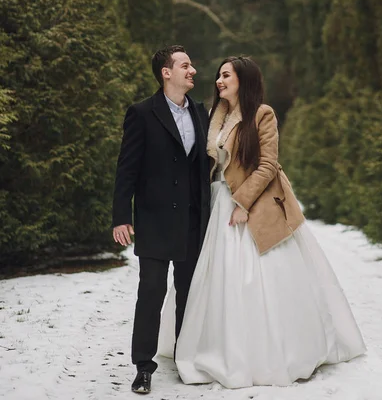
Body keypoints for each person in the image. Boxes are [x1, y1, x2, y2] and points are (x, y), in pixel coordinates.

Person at [172, 56, 366, 388]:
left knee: (257, 277)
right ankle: (212, 345)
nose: (219, 81)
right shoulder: (212, 116)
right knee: (216, 279)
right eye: (219, 75)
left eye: (226, 75)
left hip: (254, 204)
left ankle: (270, 352)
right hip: (217, 205)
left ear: (243, 80)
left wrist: (242, 204)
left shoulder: (262, 114)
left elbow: (268, 165)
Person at [112, 45, 210, 394]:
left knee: (188, 292)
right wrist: (121, 216)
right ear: (166, 73)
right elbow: (127, 168)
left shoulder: (201, 112)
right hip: (153, 219)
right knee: (152, 291)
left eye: (191, 64)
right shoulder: (141, 113)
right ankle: (143, 366)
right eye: (185, 65)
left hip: (192, 220)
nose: (193, 70)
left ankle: (185, 357)